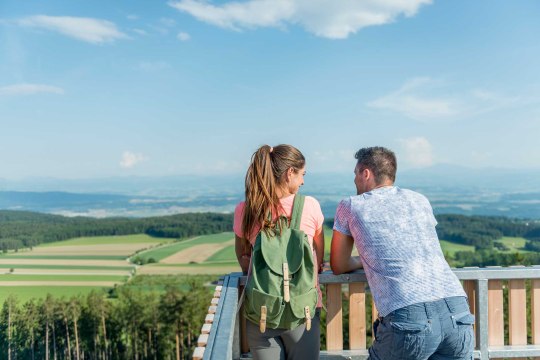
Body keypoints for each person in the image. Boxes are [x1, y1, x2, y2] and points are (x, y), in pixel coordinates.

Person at [331, 146, 474, 360]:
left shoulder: (351, 205)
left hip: (408, 313)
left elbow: (339, 265)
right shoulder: (419, 200)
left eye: (355, 173)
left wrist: (363, 261)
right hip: (457, 309)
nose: (354, 180)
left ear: (366, 173)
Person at [234, 144, 325, 360]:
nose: (303, 181)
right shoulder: (310, 206)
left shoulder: (246, 209)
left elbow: (244, 257)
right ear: (289, 173)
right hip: (302, 313)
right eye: (302, 174)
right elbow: (318, 258)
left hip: (262, 311)